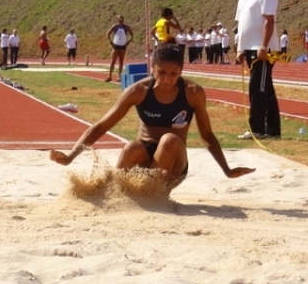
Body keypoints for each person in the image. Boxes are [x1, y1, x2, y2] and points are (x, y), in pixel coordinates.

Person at [49, 43, 255, 189]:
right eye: (161, 72)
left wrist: (226, 169)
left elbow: (207, 135)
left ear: (181, 71)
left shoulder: (193, 92)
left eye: (173, 74)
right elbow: (102, 125)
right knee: (132, 146)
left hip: (173, 164)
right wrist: (70, 156)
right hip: (143, 158)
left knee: (170, 140)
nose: (166, 79)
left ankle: (154, 193)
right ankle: (113, 190)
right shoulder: (138, 91)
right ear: (153, 69)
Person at [235, 0, 281, 140]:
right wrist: (239, 48)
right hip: (248, 47)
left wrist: (263, 46)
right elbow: (241, 24)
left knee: (257, 88)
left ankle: (258, 129)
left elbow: (269, 21)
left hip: (262, 48)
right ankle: (274, 129)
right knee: (265, 88)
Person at [106, 15, 133, 82]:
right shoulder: (115, 26)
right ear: (117, 19)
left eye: (121, 18)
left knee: (121, 62)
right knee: (113, 61)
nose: (120, 20)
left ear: (123, 19)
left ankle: (119, 77)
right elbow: (108, 33)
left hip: (123, 46)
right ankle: (109, 76)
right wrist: (110, 42)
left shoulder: (126, 27)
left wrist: (128, 42)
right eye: (119, 18)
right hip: (116, 45)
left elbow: (132, 35)